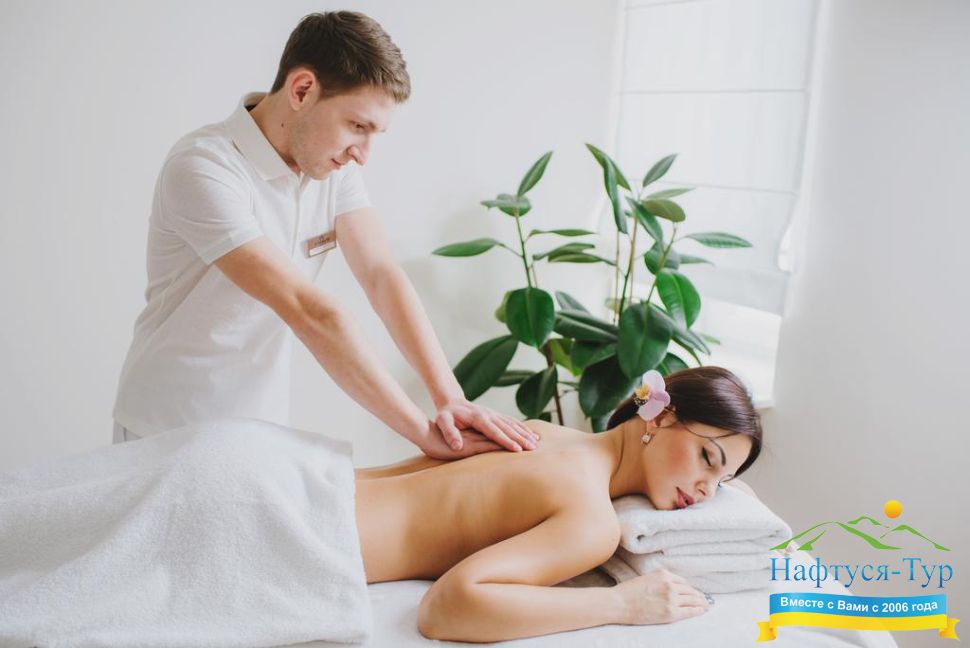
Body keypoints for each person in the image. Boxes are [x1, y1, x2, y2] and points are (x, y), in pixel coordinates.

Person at [111, 11, 536, 459]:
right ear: (301, 90)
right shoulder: (204, 168)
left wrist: (450, 398)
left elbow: (380, 274)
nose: (364, 154)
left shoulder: (332, 169)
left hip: (260, 425)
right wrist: (424, 435)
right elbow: (310, 312)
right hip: (168, 427)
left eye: (375, 133)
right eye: (357, 126)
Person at [353, 366, 766, 642]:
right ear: (659, 417)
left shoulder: (543, 432)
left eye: (722, 483)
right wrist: (625, 603)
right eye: (707, 458)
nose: (707, 492)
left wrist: (730, 484)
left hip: (333, 478)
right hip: (328, 532)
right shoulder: (592, 520)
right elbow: (446, 608)